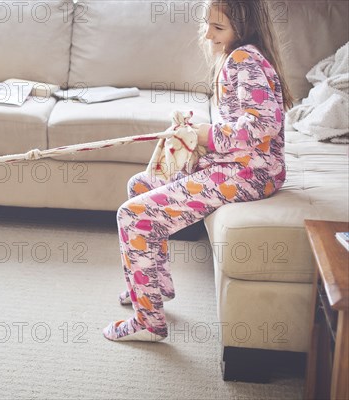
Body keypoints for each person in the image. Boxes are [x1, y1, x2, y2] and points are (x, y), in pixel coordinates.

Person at [104, 0, 293, 341]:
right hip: (240, 166)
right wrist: (203, 133)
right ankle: (154, 287)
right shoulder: (240, 56)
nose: (208, 34)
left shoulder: (244, 58)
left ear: (244, 26)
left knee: (131, 216)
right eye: (206, 24)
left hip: (248, 173)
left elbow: (263, 123)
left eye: (218, 28)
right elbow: (244, 119)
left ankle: (149, 322)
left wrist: (209, 135)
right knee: (140, 186)